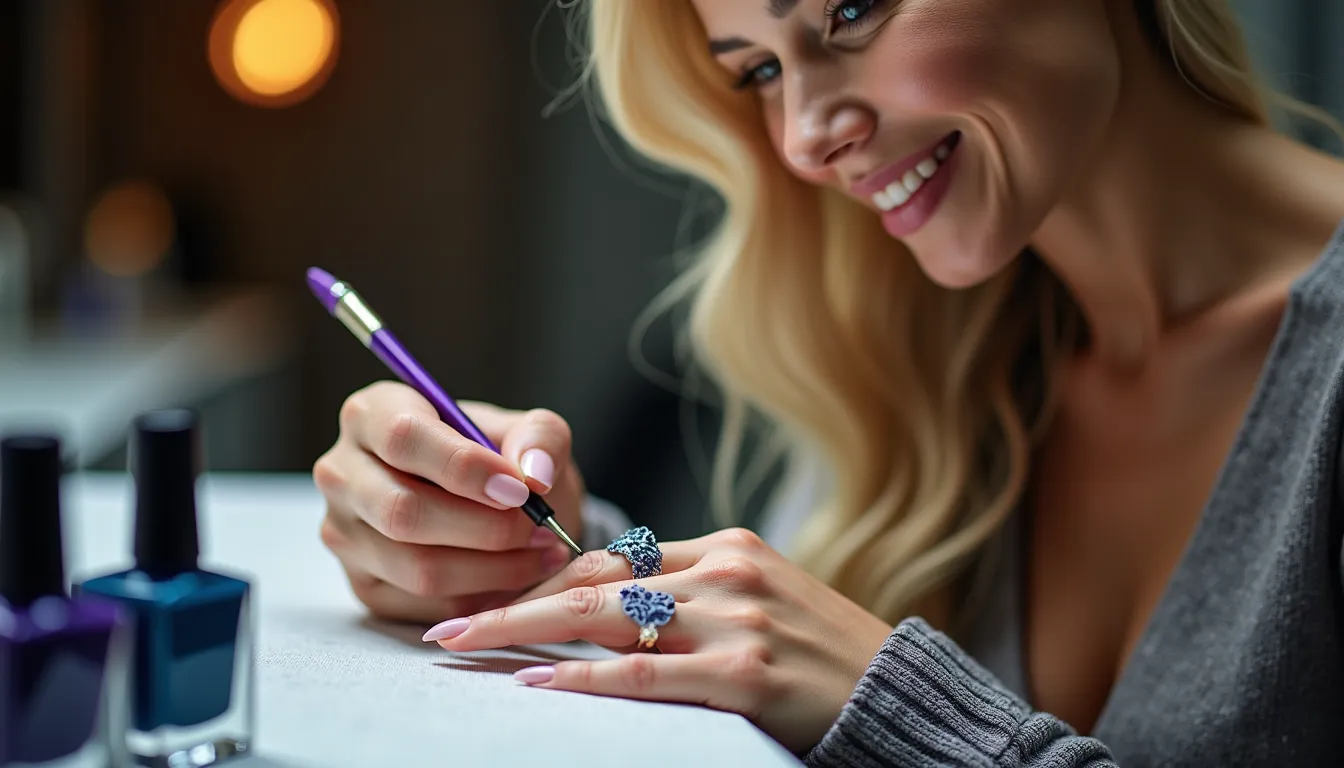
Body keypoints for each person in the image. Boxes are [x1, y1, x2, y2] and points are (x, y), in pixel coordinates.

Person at [311, 0, 1344, 764]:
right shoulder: (926, 343)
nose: (807, 135)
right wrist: (545, 550)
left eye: (850, 11)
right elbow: (792, 638)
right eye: (757, 68)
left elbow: (857, 677)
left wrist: (909, 714)